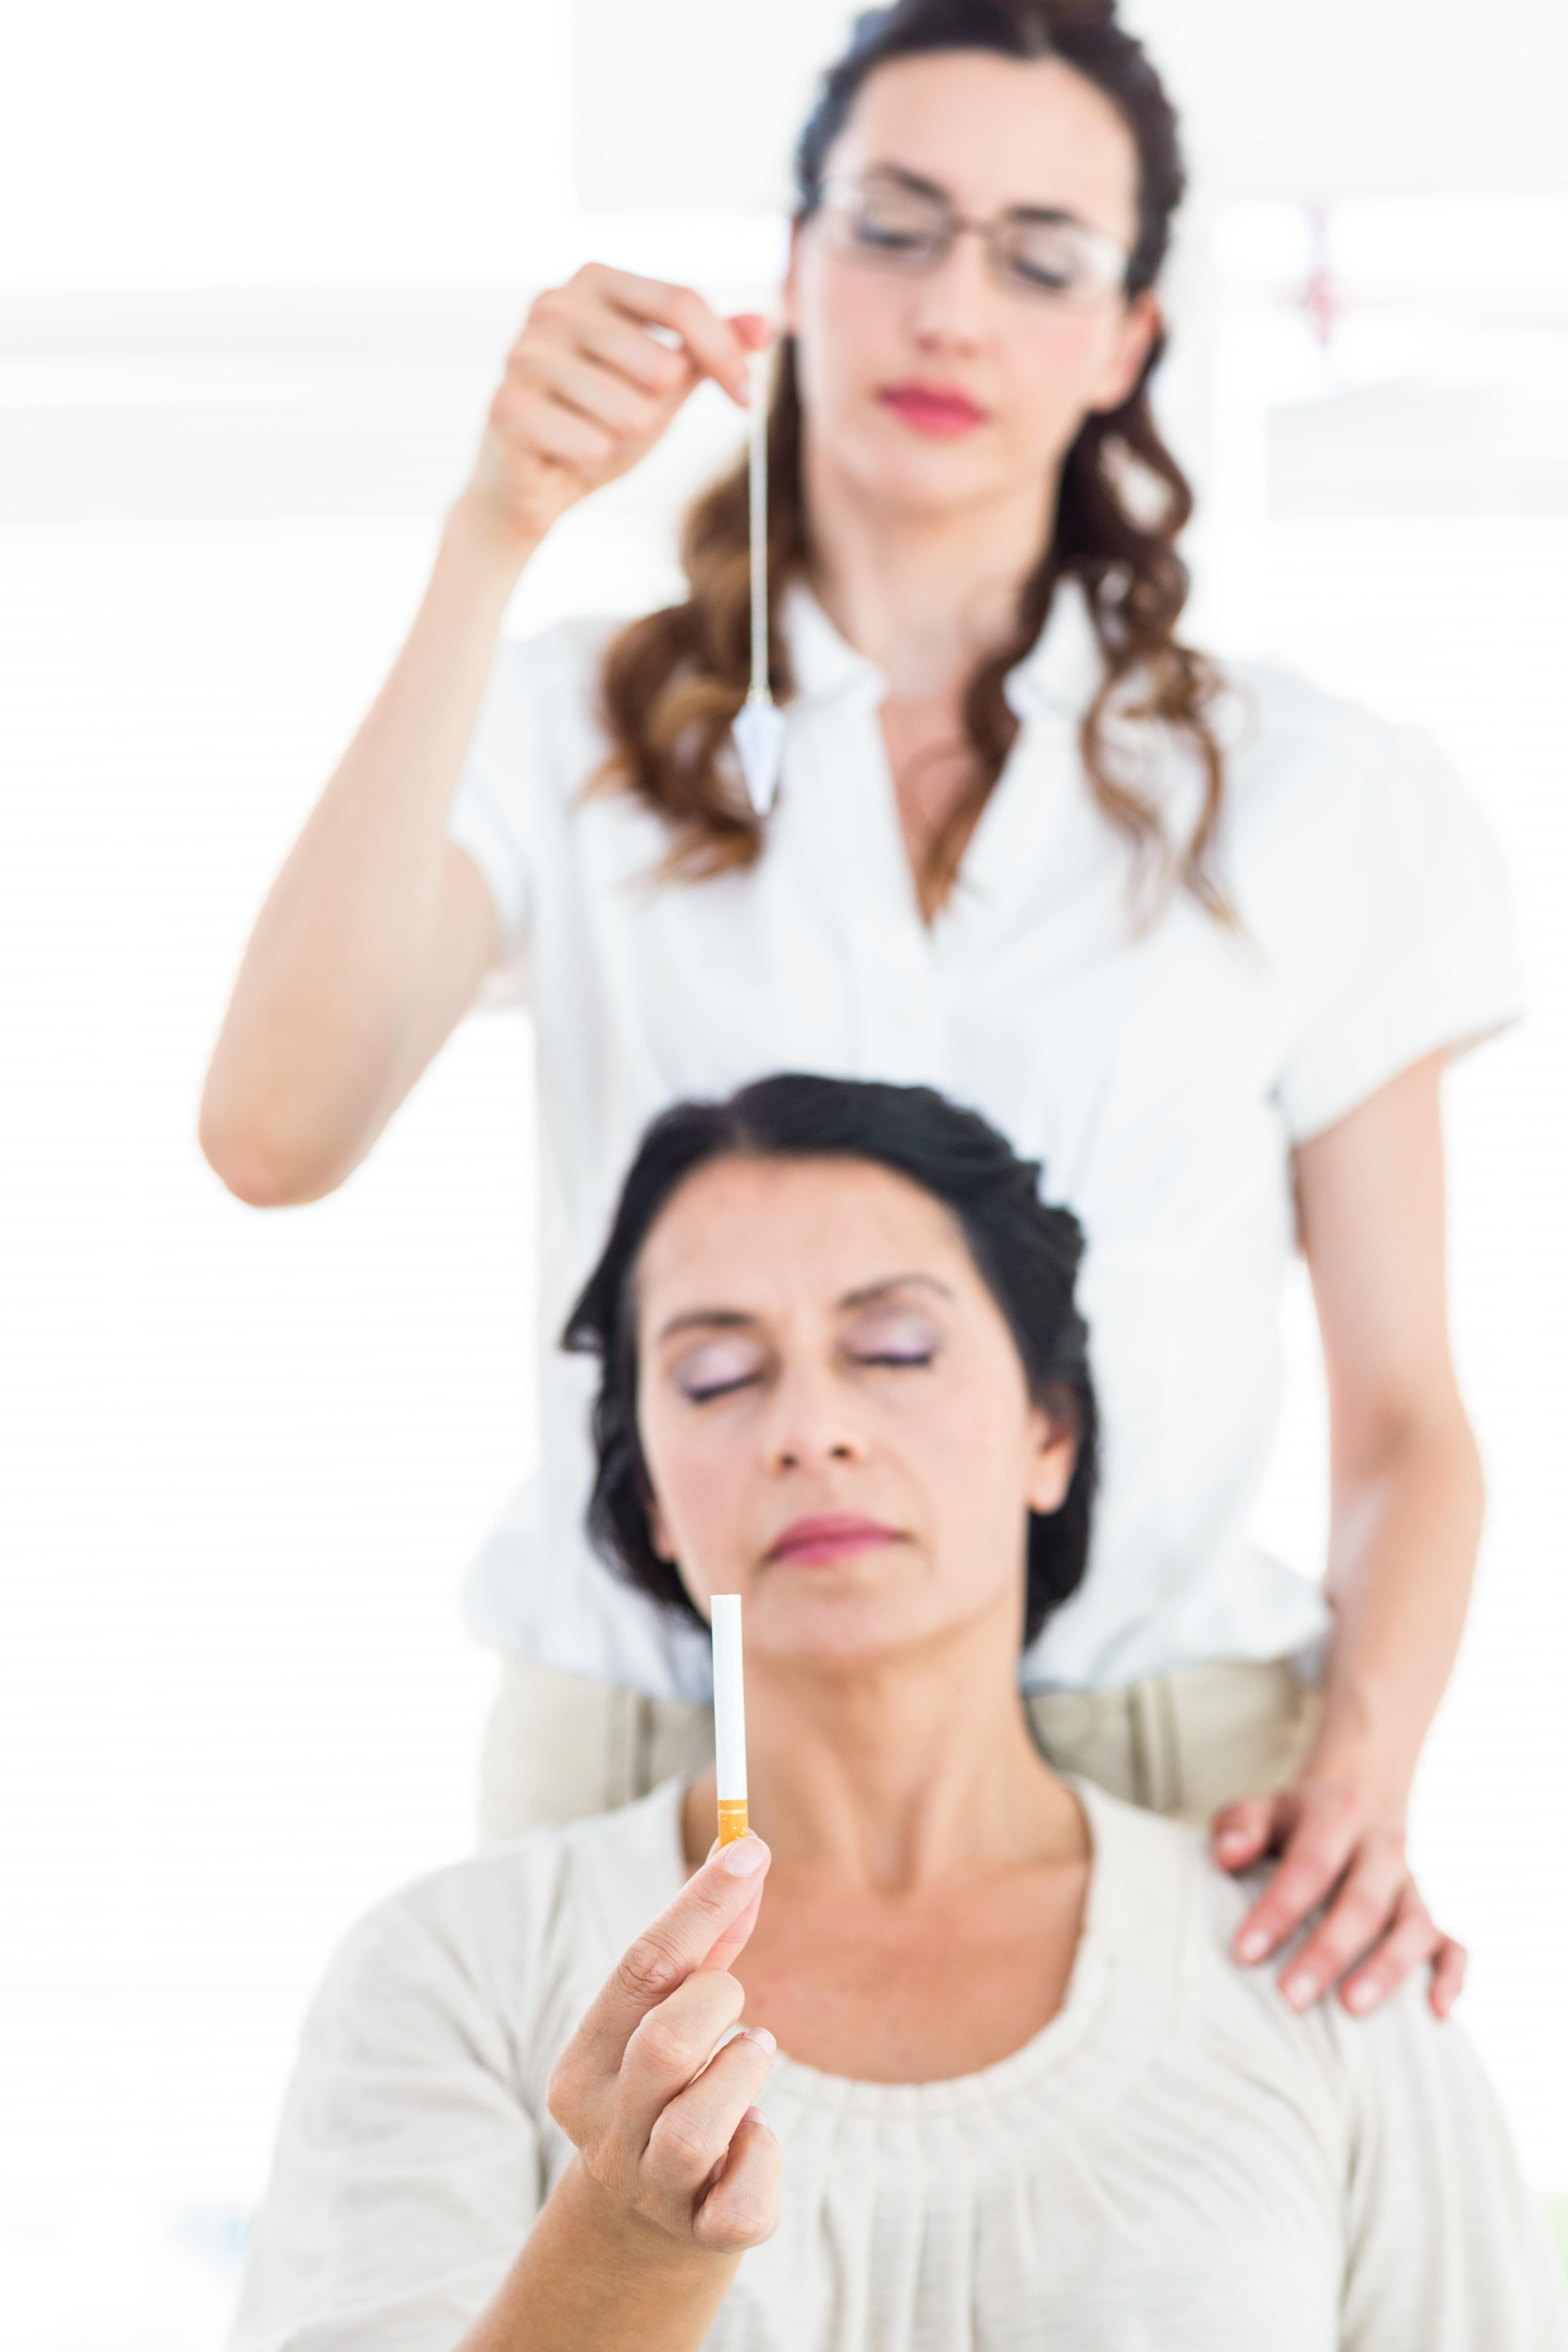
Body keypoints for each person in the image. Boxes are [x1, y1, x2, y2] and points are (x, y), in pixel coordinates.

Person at [198, 0, 1520, 2015]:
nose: (953, 308)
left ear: (1129, 334)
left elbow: (1409, 1421)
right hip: (660, 1758)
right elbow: (272, 1134)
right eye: (894, 226)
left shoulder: (1321, 796)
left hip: (1167, 1766)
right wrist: (489, 532)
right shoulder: (574, 721)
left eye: (1041, 252)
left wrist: (1364, 1762)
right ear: (795, 265)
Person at [227, 1078, 1566, 2352]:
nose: (810, 1428)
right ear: (648, 1498)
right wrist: (626, 2251)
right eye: (713, 1379)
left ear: (1052, 1431)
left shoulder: (1321, 1976)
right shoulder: (451, 1979)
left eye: (894, 1349)